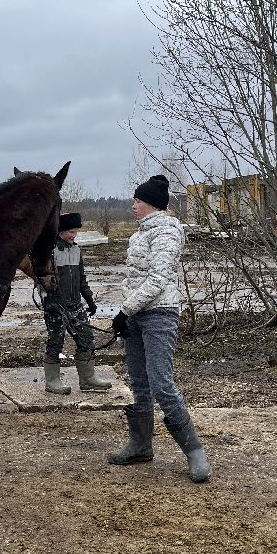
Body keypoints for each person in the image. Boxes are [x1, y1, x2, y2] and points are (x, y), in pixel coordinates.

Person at [107, 175, 211, 482]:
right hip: (137, 315)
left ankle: (195, 453)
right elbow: (134, 278)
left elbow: (157, 280)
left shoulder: (166, 231)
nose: (133, 205)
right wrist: (127, 312)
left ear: (151, 204)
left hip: (159, 315)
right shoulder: (139, 234)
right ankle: (140, 446)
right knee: (139, 383)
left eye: (137, 201)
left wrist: (124, 311)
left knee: (161, 382)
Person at [42, 212, 112, 395]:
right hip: (56, 306)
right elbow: (42, 280)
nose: (73, 235)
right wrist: (50, 301)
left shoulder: (76, 250)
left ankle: (88, 379)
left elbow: (82, 279)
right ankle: (52, 381)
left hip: (75, 305)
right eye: (70, 232)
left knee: (86, 339)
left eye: (75, 232)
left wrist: (89, 299)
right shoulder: (51, 251)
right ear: (60, 231)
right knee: (55, 341)